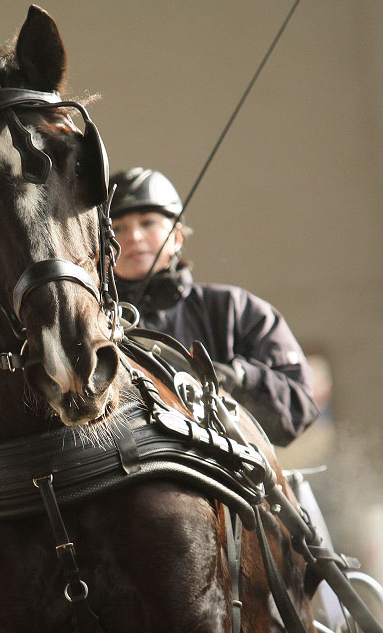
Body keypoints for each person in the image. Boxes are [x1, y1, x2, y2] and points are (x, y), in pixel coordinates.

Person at [110, 167, 319, 446]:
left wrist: (242, 379)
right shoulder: (88, 322)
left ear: (178, 237)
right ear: (102, 246)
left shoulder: (235, 308)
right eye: (117, 229)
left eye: (148, 222)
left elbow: (299, 409)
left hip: (233, 474)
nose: (133, 237)